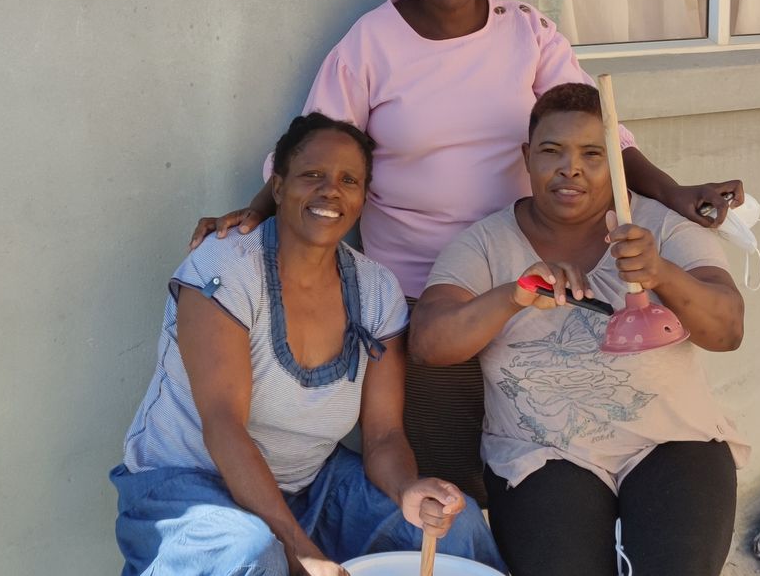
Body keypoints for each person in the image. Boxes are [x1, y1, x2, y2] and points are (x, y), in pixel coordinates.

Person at [187, 0, 744, 503]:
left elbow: (599, 130)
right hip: (424, 294)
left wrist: (672, 194)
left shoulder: (526, 30)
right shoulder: (372, 42)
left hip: (529, 278)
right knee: (453, 470)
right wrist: (257, 212)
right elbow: (318, 147)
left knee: (546, 458)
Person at [112, 113, 505, 576]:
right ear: (277, 187)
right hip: (188, 487)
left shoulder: (376, 290)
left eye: (348, 180)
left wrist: (407, 491)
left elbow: (383, 436)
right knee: (252, 552)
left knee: (453, 537)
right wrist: (300, 550)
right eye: (312, 175)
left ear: (363, 197)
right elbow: (223, 427)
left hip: (312, 488)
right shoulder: (224, 269)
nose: (330, 191)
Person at [410, 83, 751, 576]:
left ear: (616, 162)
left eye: (593, 155)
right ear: (527, 158)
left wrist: (661, 274)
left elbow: (727, 331)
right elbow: (428, 344)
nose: (571, 168)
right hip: (540, 455)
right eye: (552, 151)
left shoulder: (664, 229)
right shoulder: (484, 245)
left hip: (674, 441)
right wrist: (513, 294)